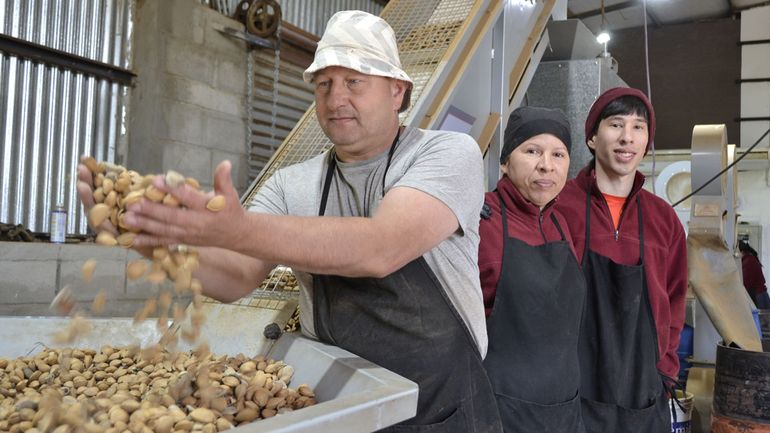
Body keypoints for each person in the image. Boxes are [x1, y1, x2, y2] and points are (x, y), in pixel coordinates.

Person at [77, 10, 502, 432]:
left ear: (397, 92)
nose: (336, 99)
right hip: (343, 407)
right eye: (324, 84)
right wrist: (148, 240)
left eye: (355, 81)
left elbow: (381, 247)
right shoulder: (292, 184)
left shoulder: (446, 154)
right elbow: (235, 278)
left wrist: (240, 230)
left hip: (445, 410)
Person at [555, 87, 688, 433]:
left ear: (646, 141)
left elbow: (675, 299)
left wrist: (666, 367)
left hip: (643, 384)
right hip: (570, 381)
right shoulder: (559, 206)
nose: (627, 138)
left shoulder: (663, 218)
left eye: (638, 128)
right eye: (615, 125)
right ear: (592, 138)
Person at [479, 106, 586, 433]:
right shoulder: (481, 220)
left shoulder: (560, 223)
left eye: (559, 154)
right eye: (532, 151)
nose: (546, 165)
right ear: (504, 161)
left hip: (563, 407)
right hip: (500, 409)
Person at [739, 240, 769, 309]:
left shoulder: (748, 262)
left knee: (758, 319)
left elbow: (746, 283)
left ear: (741, 251)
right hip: (763, 295)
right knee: (765, 319)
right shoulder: (751, 259)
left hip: (758, 297)